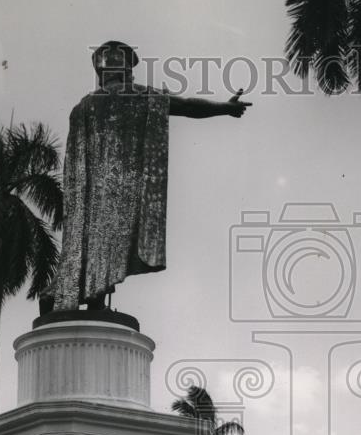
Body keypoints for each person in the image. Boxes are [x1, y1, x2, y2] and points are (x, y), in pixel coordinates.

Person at [48, 40, 251, 312]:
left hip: (92, 195)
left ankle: (82, 295)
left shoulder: (83, 107)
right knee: (110, 244)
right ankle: (84, 296)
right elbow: (188, 106)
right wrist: (224, 108)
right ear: (127, 70)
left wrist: (223, 108)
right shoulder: (139, 96)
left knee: (96, 243)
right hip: (124, 189)